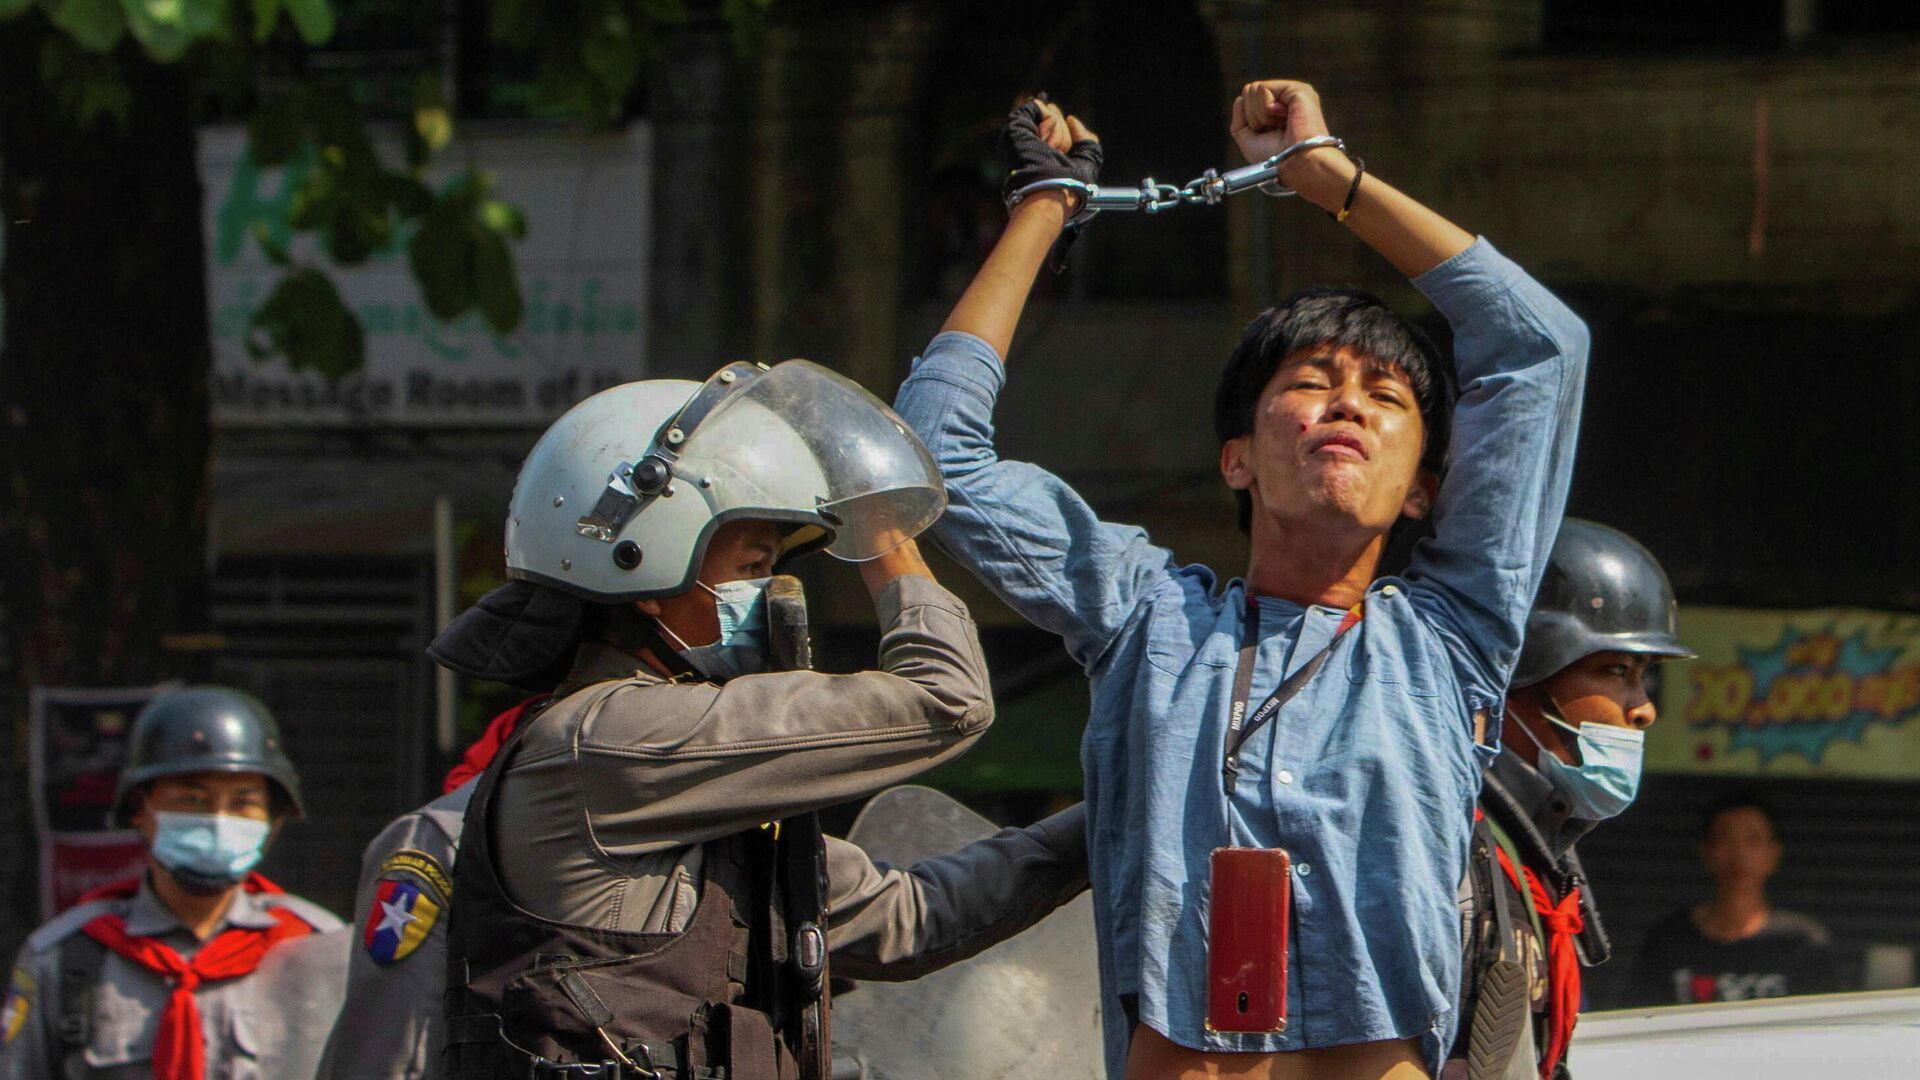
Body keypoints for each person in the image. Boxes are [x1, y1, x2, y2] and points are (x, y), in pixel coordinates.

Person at [893, 81, 1589, 1079]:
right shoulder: (1147, 618)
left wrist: (1332, 182)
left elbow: (1541, 348)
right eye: (1309, 382)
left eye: (1386, 394)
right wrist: (1046, 206)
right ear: (1237, 460)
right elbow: (938, 457)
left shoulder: (1450, 640)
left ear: (1427, 493)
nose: (1348, 401)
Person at [432, 361, 1091, 1079]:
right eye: (755, 563)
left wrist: (1113, 815)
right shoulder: (612, 742)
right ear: (647, 574)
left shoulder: (690, 785)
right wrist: (887, 542)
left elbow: (910, 918)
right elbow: (944, 697)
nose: (771, 593)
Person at [1448, 520, 1694, 1080]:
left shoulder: (1533, 845)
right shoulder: (1449, 847)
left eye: (1643, 678)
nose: (1643, 709)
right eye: (1615, 672)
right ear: (1523, 672)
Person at [0, 687, 343, 1079]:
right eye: (192, 801)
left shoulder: (316, 949)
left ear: (272, 818)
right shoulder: (65, 960)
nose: (218, 819)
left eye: (242, 802)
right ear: (139, 811)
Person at [1625, 792, 1843, 1006]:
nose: (1739, 853)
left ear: (1773, 854)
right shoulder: (1668, 940)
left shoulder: (1803, 942)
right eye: (1725, 838)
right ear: (1706, 851)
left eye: (1753, 839)